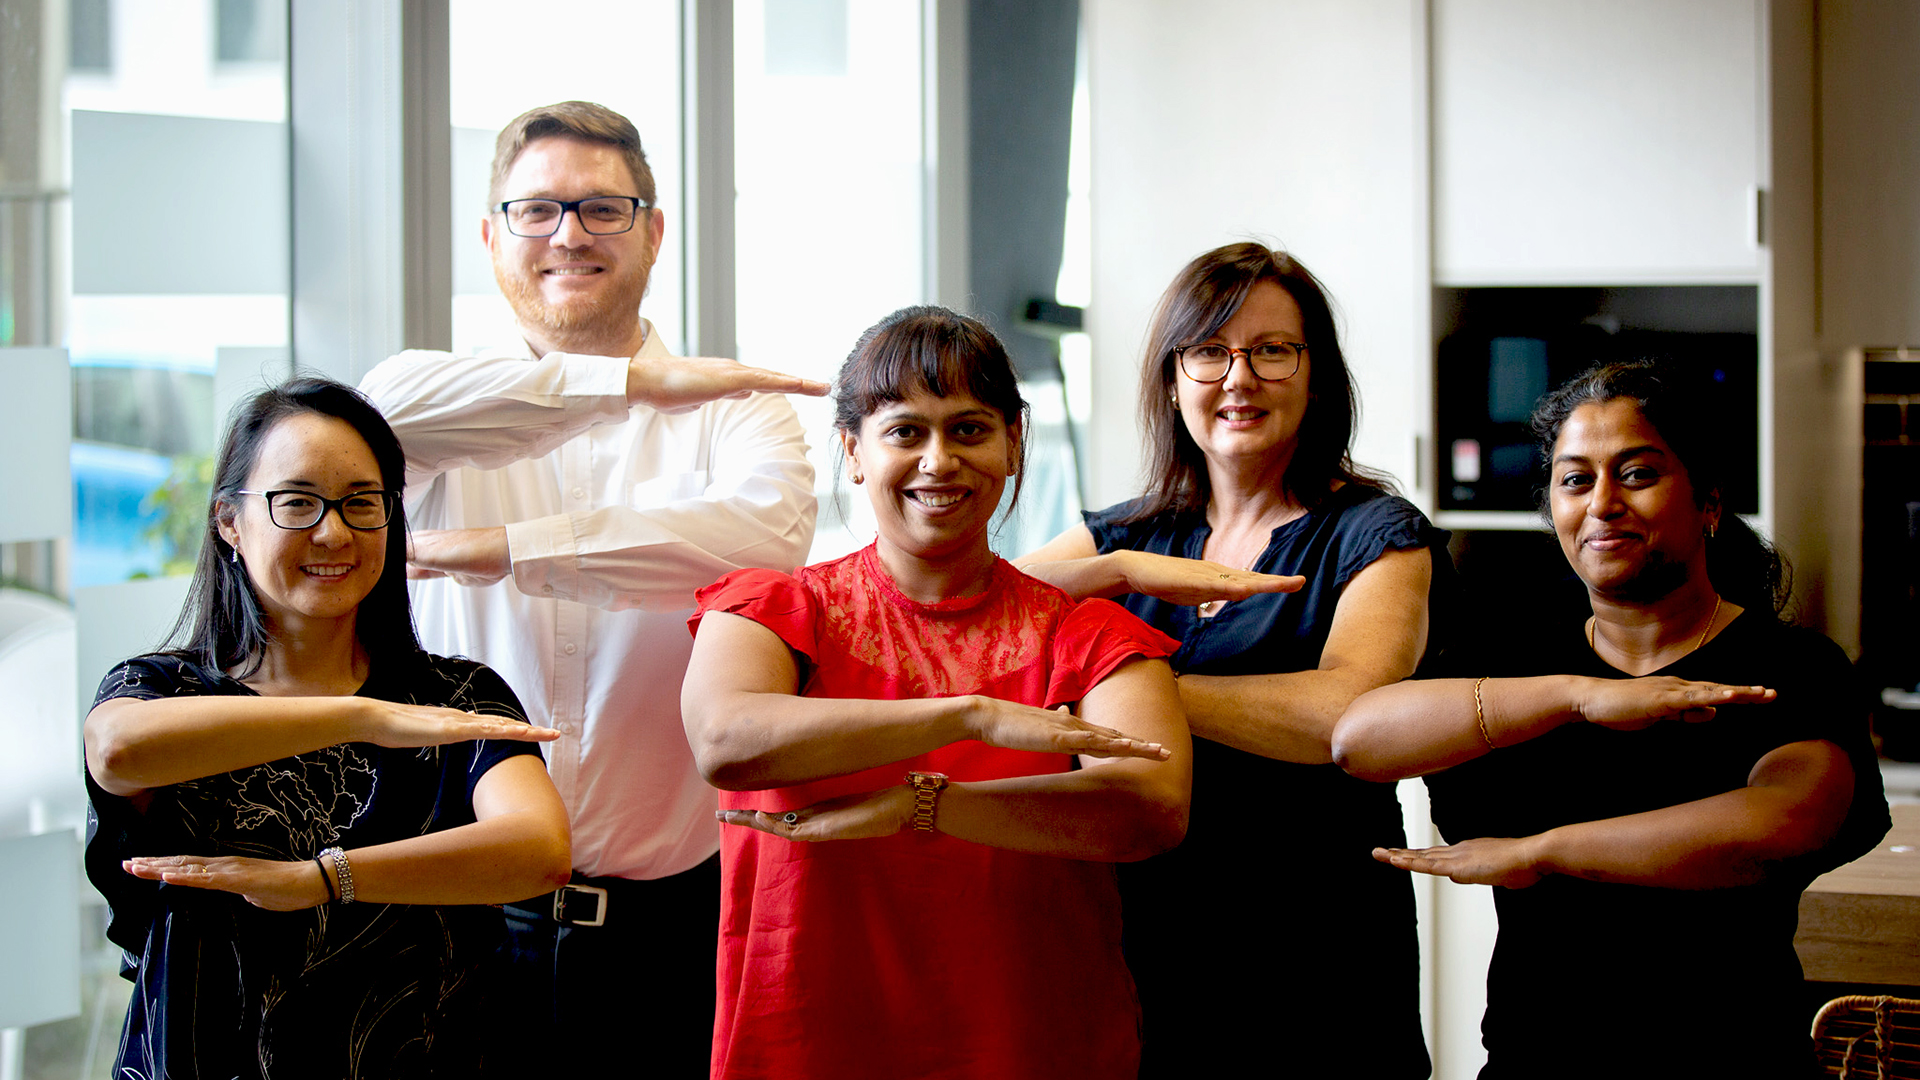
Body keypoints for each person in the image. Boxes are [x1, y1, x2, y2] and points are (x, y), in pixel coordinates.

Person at [358, 101, 823, 1073]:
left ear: (655, 231)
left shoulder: (737, 410)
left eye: (603, 209)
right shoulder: (424, 392)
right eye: (537, 210)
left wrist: (503, 548)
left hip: (670, 927)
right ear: (491, 237)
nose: (569, 233)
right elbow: (371, 423)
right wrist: (611, 386)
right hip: (452, 919)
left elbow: (758, 547)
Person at [1332, 359, 1890, 1079]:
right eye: (1575, 479)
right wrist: (1580, 697)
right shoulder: (1511, 659)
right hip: (1537, 1063)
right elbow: (1358, 740)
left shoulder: (1790, 666)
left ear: (1710, 502)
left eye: (1636, 474)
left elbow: (1780, 824)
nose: (1602, 503)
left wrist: (1542, 852)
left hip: (1737, 1064)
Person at [681, 306, 1192, 1079]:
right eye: (905, 432)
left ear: (1015, 443)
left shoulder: (1085, 634)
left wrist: (925, 804)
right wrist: (972, 717)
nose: (939, 461)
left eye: (970, 430)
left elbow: (1152, 806)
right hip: (810, 1042)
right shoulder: (774, 610)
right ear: (853, 450)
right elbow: (726, 740)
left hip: (1031, 1044)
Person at [1015, 241, 1445, 1076]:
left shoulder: (1378, 536)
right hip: (1136, 944)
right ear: (1173, 380)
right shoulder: (1124, 537)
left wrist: (1132, 691)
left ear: (1315, 376)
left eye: (1271, 351)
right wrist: (1110, 573)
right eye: (1209, 351)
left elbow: (1346, 714)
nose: (1238, 377)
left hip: (1315, 956)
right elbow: (971, 612)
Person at [82, 377, 572, 1080]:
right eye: (297, 502)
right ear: (229, 521)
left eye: (361, 503)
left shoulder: (454, 694)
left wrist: (321, 879)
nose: (334, 531)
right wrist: (358, 713)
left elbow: (538, 848)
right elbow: (119, 751)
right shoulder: (163, 688)